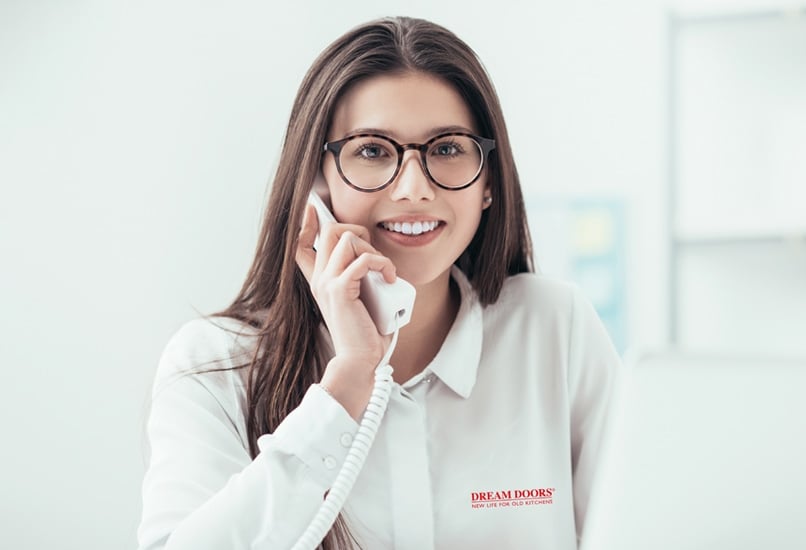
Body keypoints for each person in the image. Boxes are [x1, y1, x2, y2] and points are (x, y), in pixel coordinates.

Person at [138, 16, 620, 550]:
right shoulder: (214, 366)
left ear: (489, 182)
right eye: (371, 151)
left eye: (447, 148)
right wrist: (345, 386)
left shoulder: (557, 328)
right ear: (315, 183)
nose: (413, 189)